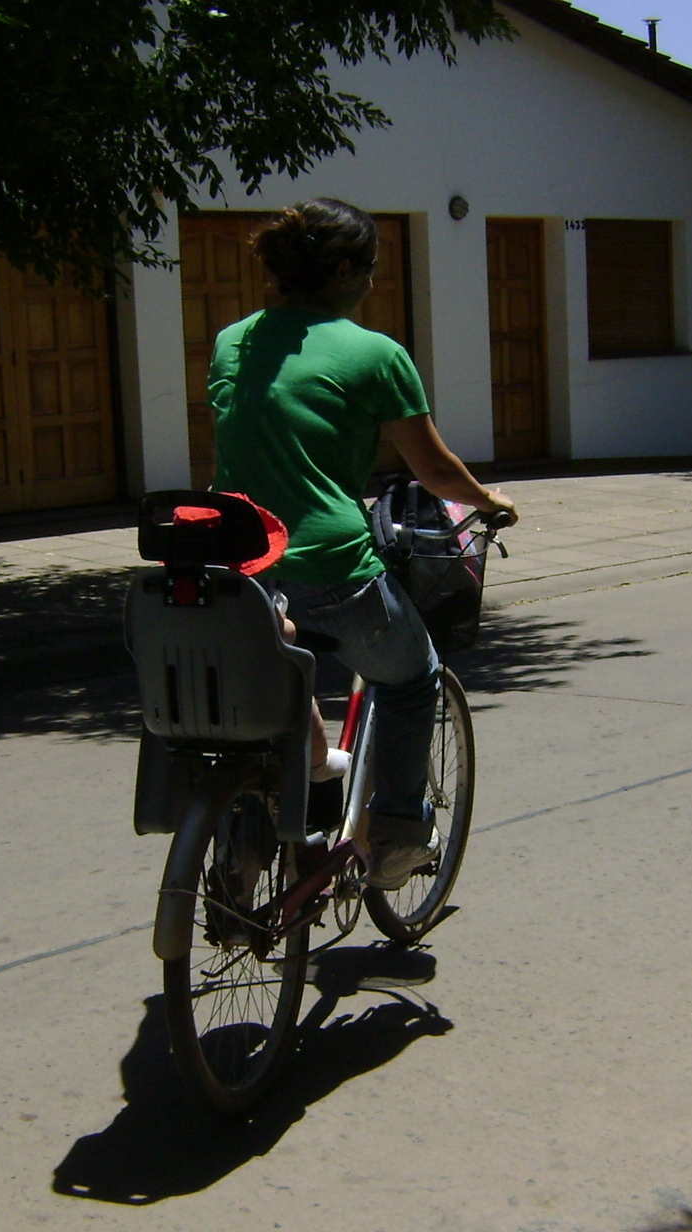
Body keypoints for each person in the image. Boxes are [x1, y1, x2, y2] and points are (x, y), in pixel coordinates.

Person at [207, 198, 518, 889]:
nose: (374, 283)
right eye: (371, 269)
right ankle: (401, 835)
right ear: (345, 270)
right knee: (411, 678)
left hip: (241, 570)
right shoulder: (377, 354)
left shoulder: (233, 342)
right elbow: (432, 470)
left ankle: (247, 845)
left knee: (271, 705)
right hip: (333, 569)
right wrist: (489, 500)